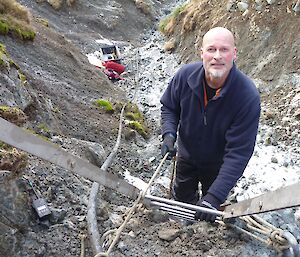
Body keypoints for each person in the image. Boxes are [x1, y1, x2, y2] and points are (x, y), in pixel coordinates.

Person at [160, 27, 260, 222]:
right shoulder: (184, 76)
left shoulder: (247, 96)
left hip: (219, 166)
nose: (217, 56)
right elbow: (169, 107)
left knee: (210, 214)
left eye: (224, 50)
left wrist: (213, 198)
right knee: (182, 206)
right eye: (211, 49)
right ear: (202, 53)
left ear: (234, 54)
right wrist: (169, 134)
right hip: (186, 156)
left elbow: (239, 153)